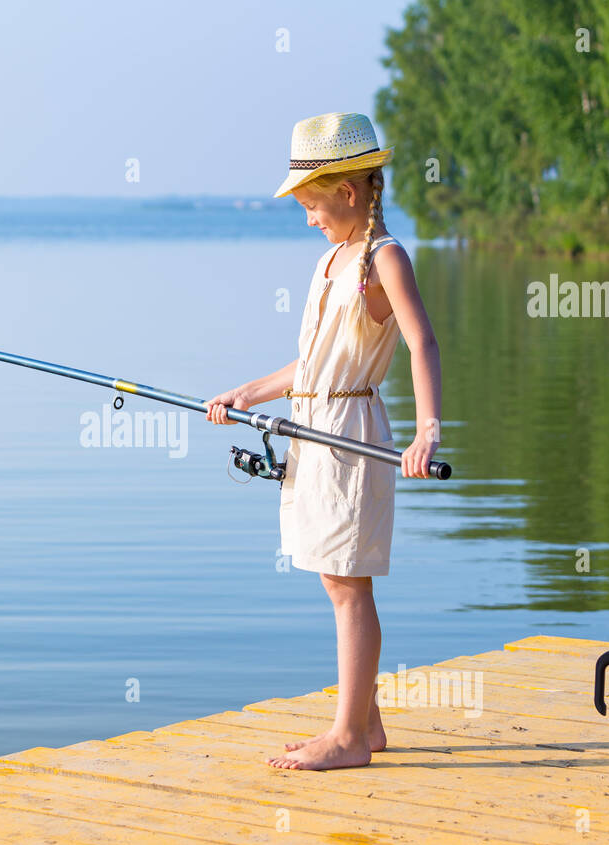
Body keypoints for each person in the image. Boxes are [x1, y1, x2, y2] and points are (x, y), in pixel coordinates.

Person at [206, 112, 442, 770]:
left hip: (351, 437)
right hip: (313, 429)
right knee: (332, 575)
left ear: (347, 192)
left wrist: (428, 430)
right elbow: (308, 365)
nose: (308, 217)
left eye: (311, 204)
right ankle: (365, 726)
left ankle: (347, 739)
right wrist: (246, 394)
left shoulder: (382, 258)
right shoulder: (329, 261)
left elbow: (423, 341)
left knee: (349, 586)